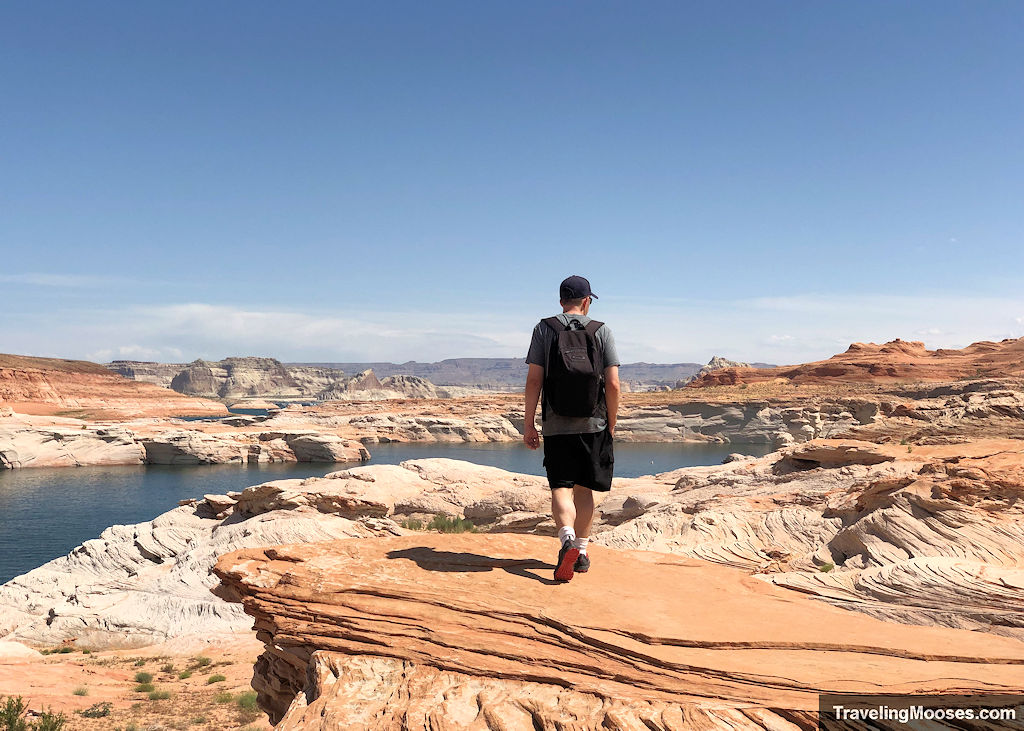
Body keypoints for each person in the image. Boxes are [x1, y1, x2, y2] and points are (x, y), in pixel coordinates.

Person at [524, 275, 620, 582]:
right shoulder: (601, 331)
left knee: (560, 487)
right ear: (587, 301)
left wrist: (529, 424)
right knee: (584, 489)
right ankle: (581, 551)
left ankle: (565, 538)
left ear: (561, 300)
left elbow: (534, 380)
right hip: (594, 423)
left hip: (556, 424)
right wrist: (612, 423)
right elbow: (614, 384)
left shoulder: (544, 329)